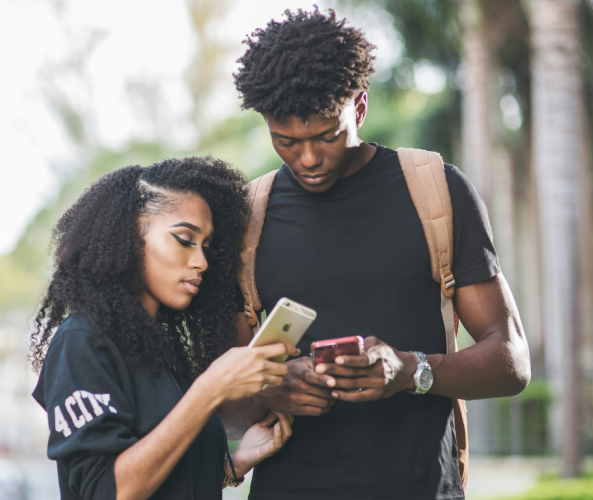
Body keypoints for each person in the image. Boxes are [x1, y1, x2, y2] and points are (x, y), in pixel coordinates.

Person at [220, 7, 532, 500]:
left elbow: (511, 361)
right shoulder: (248, 220)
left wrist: (411, 370)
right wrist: (273, 389)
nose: (308, 159)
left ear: (359, 108)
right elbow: (227, 403)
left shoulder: (436, 191)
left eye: (327, 135)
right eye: (286, 140)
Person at [29, 157, 299, 500]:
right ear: (128, 237)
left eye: (206, 246)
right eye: (185, 239)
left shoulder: (160, 348)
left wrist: (236, 464)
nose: (201, 261)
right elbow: (106, 491)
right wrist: (209, 391)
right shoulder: (81, 343)